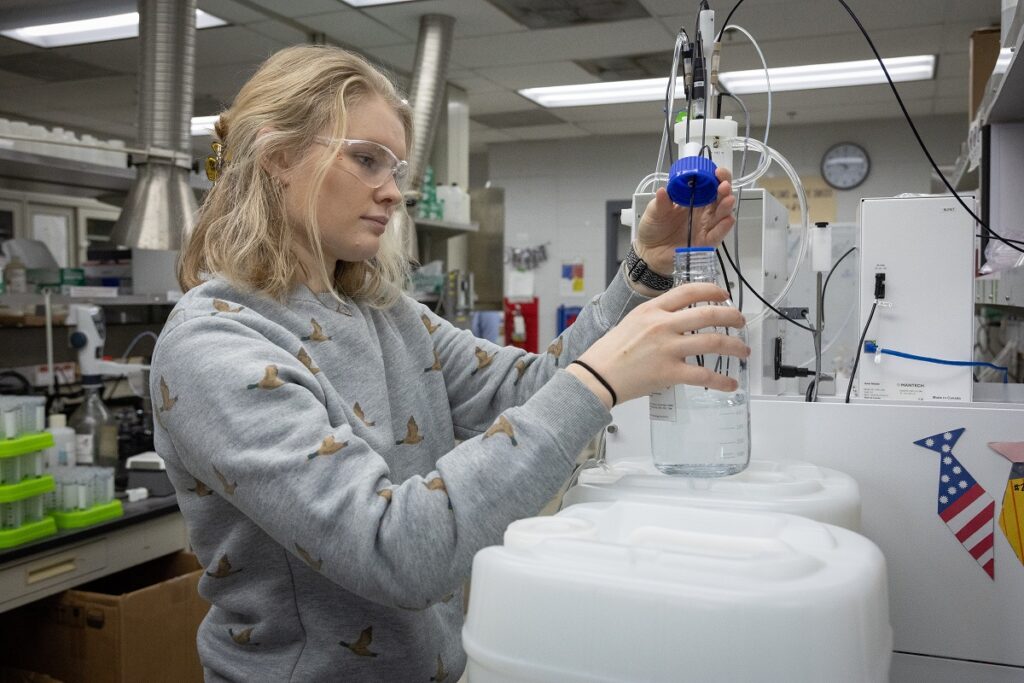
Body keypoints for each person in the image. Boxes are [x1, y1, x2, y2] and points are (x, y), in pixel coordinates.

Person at [151, 44, 747, 682]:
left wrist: (642, 270)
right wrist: (598, 381)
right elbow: (395, 551)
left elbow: (530, 388)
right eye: (366, 159)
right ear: (278, 158)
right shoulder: (214, 345)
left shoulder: (385, 313)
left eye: (396, 166)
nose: (392, 191)